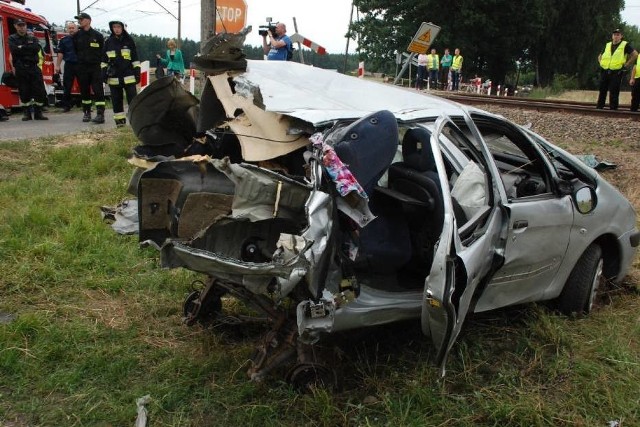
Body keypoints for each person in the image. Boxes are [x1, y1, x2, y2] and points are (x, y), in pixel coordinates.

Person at [101, 19, 140, 127]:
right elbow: (104, 60)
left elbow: (135, 59)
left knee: (133, 101)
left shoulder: (129, 41)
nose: (117, 29)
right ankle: (120, 124)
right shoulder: (108, 42)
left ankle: (135, 123)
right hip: (114, 78)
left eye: (119, 27)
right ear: (112, 28)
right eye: (115, 27)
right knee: (117, 102)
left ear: (122, 28)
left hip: (129, 76)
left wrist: (137, 72)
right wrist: (103, 73)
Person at [8, 18, 48, 120]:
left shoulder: (32, 38)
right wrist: (26, 48)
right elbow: (14, 50)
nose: (22, 27)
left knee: (39, 90)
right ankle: (27, 113)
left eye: (23, 25)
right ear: (15, 26)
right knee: (24, 90)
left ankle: (39, 112)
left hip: (34, 67)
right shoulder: (12, 38)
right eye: (19, 25)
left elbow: (36, 49)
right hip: (21, 68)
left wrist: (22, 47)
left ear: (26, 26)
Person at [73, 12, 106, 123]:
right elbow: (74, 51)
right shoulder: (77, 36)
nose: (79, 21)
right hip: (82, 68)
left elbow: (103, 52)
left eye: (81, 19)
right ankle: (87, 113)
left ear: (88, 20)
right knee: (84, 91)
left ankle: (100, 114)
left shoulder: (98, 36)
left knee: (98, 90)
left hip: (95, 67)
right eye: (79, 20)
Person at [597, 28, 638, 110]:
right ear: (612, 36)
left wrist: (626, 65)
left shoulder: (625, 45)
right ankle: (599, 108)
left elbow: (635, 54)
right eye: (614, 35)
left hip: (617, 71)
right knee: (602, 90)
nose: (616, 36)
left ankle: (613, 109)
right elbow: (600, 56)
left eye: (618, 35)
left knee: (614, 91)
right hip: (605, 70)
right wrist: (601, 63)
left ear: (621, 36)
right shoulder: (607, 44)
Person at [54, 21, 79, 112]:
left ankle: (86, 105)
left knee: (84, 84)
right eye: (70, 28)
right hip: (69, 64)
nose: (71, 29)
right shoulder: (64, 40)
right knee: (67, 85)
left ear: (76, 29)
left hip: (80, 65)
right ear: (67, 30)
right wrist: (57, 65)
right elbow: (60, 53)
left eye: (73, 28)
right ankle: (66, 105)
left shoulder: (81, 39)